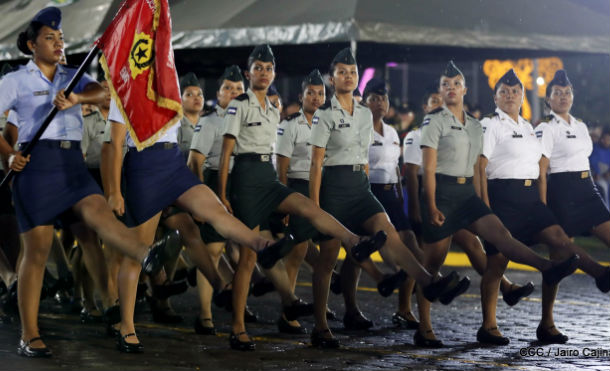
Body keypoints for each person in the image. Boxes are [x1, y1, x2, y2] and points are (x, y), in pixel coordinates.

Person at [0, 7, 168, 357]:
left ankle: (144, 254)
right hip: (36, 167)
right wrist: (8, 153)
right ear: (32, 44)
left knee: (99, 215)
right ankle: (29, 335)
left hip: (71, 164)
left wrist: (76, 97)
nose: (58, 43)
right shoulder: (14, 81)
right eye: (50, 37)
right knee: (36, 253)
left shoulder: (73, 76)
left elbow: (106, 93)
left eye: (60, 38)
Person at [217, 44, 387, 350]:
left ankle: (352, 240)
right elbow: (228, 151)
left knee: (308, 207)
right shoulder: (239, 105)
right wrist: (223, 195)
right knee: (247, 259)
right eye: (259, 68)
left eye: (269, 69)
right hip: (244, 179)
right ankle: (238, 327)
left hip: (267, 179)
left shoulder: (273, 108)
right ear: (248, 73)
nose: (264, 73)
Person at [308, 49, 472, 348]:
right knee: (328, 259)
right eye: (342, 72)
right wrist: (315, 207)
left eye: (352, 72)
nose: (348, 76)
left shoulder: (362, 113)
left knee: (390, 235)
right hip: (333, 188)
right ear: (332, 79)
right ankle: (320, 327)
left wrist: (367, 186)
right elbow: (316, 163)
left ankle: (429, 282)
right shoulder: (324, 114)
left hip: (360, 188)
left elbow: (364, 157)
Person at [415, 61, 579, 348]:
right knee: (433, 263)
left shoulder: (476, 124)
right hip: (443, 194)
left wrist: (482, 204)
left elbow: (478, 169)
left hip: (469, 196)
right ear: (440, 91)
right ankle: (424, 327)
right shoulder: (435, 121)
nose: (451, 89)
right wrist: (430, 205)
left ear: (464, 89)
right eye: (446, 84)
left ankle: (545, 267)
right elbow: (429, 169)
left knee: (501, 238)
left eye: (456, 84)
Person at [478, 69, 610, 345]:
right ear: (496, 96)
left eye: (515, 92)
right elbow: (480, 166)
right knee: (497, 264)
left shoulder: (526, 126)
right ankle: (488, 326)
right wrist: (485, 208)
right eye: (504, 91)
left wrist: (539, 203)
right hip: (503, 196)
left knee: (559, 239)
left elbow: (535, 168)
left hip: (533, 199)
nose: (510, 95)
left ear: (523, 95)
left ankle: (598, 273)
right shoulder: (491, 124)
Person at [187, 65, 245, 335]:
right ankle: (205, 314)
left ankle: (238, 307)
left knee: (245, 252)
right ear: (218, 93)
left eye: (238, 89)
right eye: (227, 89)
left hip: (244, 182)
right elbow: (195, 162)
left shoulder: (249, 118)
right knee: (213, 250)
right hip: (212, 181)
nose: (233, 93)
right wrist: (201, 200)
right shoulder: (209, 121)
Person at [536, 70, 610, 278]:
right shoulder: (546, 127)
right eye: (557, 93)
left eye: (567, 92)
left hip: (588, 190)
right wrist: (542, 208)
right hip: (563, 192)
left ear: (573, 97)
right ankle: (547, 312)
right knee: (559, 256)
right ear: (548, 100)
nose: (563, 97)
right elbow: (541, 171)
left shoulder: (581, 126)